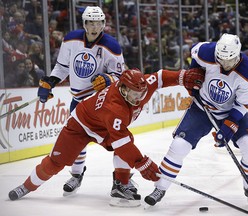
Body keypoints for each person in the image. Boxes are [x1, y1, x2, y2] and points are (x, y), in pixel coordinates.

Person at [8, 68, 205, 207]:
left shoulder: (139, 87)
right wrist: (142, 163)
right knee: (56, 163)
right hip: (80, 127)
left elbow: (160, 77)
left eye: (142, 92)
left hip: (104, 127)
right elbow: (122, 142)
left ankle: (120, 184)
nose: (140, 97)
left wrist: (182, 76)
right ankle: (26, 187)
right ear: (124, 89)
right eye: (135, 94)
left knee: (126, 142)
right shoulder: (115, 108)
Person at [145, 33, 248, 208]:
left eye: (228, 61)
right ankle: (160, 188)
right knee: (179, 146)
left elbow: (245, 103)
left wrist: (230, 124)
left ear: (237, 55)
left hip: (231, 111)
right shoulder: (207, 51)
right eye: (220, 59)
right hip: (202, 108)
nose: (223, 64)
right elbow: (194, 58)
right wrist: (193, 76)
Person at [36, 6, 126, 196]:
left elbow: (119, 76)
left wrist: (108, 79)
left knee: (119, 140)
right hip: (78, 102)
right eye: (91, 23)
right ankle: (77, 175)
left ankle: (121, 180)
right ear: (84, 23)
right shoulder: (71, 40)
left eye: (99, 23)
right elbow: (61, 67)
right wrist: (51, 81)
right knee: (78, 141)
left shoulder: (112, 46)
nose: (95, 27)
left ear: (104, 24)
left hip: (101, 102)